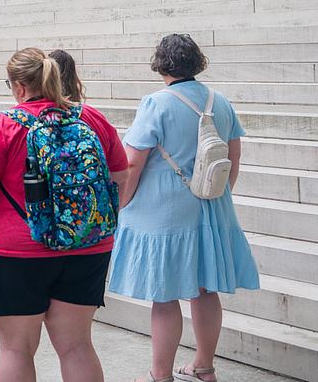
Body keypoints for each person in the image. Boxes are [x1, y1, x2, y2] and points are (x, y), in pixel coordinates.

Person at [0, 47, 129, 382]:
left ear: (20, 87)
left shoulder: (3, 126)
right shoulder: (92, 118)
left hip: (16, 251)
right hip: (86, 248)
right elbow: (121, 178)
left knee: (16, 349)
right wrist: (92, 225)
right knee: (77, 346)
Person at [108, 35, 259, 382]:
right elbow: (232, 158)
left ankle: (160, 374)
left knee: (165, 296)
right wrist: (218, 196)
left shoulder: (156, 103)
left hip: (165, 211)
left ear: (161, 64)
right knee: (206, 290)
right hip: (211, 206)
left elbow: (133, 163)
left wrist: (123, 202)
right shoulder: (219, 102)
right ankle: (204, 366)